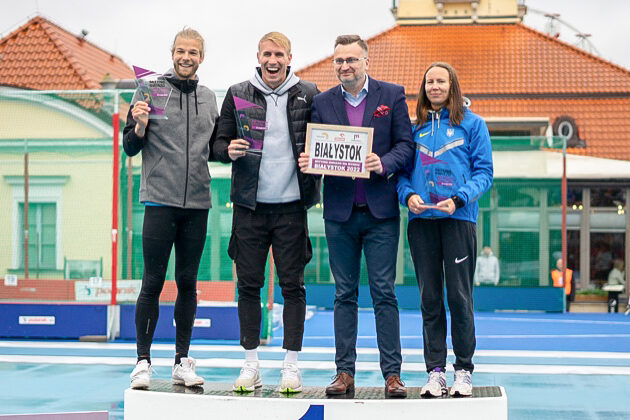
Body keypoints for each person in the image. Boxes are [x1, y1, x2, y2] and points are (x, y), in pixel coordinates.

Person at [298, 35, 414, 398]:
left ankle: (392, 375)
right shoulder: (321, 102)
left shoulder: (391, 95)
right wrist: (309, 164)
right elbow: (318, 151)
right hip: (339, 213)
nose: (344, 66)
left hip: (381, 213)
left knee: (384, 294)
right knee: (343, 294)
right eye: (339, 61)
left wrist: (385, 163)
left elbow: (406, 146)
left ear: (366, 60)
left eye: (351, 59)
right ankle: (344, 373)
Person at [213, 32, 320, 394]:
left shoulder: (309, 93)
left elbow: (324, 139)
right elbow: (216, 143)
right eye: (267, 54)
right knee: (249, 287)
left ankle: (291, 366)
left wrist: (315, 161)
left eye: (279, 54)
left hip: (292, 208)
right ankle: (251, 365)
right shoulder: (237, 92)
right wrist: (228, 149)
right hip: (249, 208)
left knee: (293, 287)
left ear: (290, 58)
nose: (273, 60)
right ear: (258, 57)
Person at [123, 28, 219, 389]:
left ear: (201, 57)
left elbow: (219, 148)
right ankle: (143, 362)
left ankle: (182, 360)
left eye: (193, 52)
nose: (186, 57)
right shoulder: (149, 90)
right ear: (172, 53)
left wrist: (238, 149)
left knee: (188, 283)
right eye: (181, 51)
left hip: (198, 203)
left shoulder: (210, 98)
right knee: (152, 281)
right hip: (160, 201)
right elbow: (130, 147)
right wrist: (142, 124)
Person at [397, 62, 493, 398]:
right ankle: (435, 372)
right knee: (430, 299)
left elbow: (485, 173)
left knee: (459, 298)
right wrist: (408, 196)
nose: (434, 86)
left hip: (458, 220)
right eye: (429, 82)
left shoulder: (473, 125)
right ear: (423, 89)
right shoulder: (414, 130)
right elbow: (403, 177)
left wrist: (459, 198)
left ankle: (463, 371)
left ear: (453, 85)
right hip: (422, 224)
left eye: (441, 81)